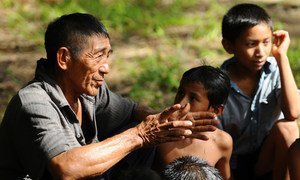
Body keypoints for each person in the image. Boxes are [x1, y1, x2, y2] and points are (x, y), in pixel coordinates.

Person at [0, 13, 219, 179]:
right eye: (98, 56)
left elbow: (131, 110)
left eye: (108, 56)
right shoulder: (34, 102)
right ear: (64, 58)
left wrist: (165, 120)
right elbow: (66, 168)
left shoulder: (87, 91)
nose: (106, 68)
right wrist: (141, 135)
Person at [218, 3, 300, 180]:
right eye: (251, 44)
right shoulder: (216, 85)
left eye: (266, 42)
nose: (261, 52)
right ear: (228, 46)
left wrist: (281, 57)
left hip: (269, 159)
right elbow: (215, 141)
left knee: (288, 128)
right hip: (232, 165)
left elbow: (293, 112)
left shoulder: (275, 70)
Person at [157, 65, 232, 180]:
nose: (181, 103)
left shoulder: (222, 142)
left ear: (216, 110)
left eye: (193, 98)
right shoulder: (159, 135)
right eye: (181, 93)